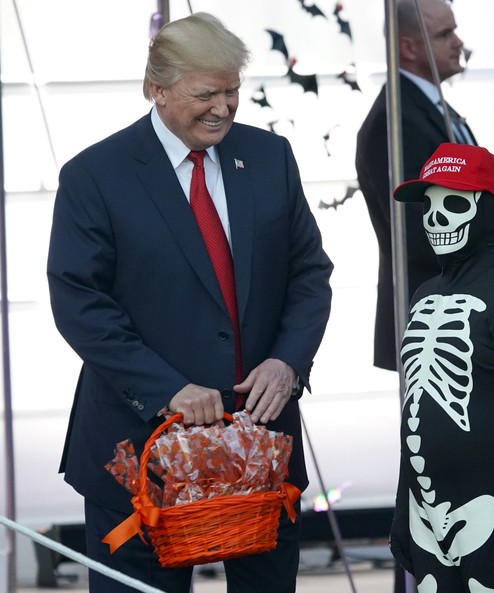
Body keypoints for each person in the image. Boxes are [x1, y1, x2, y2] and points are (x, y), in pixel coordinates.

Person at [46, 12, 333, 593]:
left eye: (232, 92)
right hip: (140, 456)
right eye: (206, 94)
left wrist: (287, 361)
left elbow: (309, 273)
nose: (224, 109)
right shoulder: (95, 175)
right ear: (156, 88)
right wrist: (166, 388)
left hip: (260, 448)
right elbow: (80, 302)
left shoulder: (270, 157)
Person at [390, 142, 494, 592]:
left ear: (489, 212)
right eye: (428, 205)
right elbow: (413, 410)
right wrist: (404, 507)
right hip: (425, 511)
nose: (434, 219)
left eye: (454, 205)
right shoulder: (423, 296)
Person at [355, 0, 494, 372]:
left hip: (467, 309)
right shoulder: (394, 122)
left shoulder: (429, 107)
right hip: (432, 319)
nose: (458, 42)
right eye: (444, 34)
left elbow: (456, 194)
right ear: (408, 47)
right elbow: (415, 228)